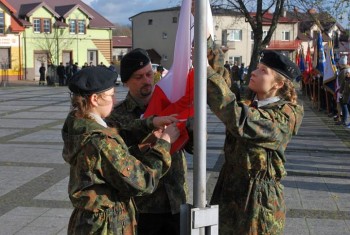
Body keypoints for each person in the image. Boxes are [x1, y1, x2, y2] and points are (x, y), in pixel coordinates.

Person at [62, 66, 180, 234]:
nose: (115, 100)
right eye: (111, 95)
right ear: (95, 99)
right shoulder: (101, 142)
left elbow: (119, 132)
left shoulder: (79, 124)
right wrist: (164, 144)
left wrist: (150, 123)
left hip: (90, 221)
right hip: (107, 226)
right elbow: (143, 182)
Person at [207, 48, 304, 234]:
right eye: (257, 67)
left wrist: (206, 73)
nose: (254, 72)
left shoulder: (286, 115)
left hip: (258, 202)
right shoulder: (250, 101)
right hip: (229, 191)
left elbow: (239, 119)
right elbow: (223, 80)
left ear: (278, 83)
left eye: (263, 71)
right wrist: (207, 45)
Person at [106, 48, 193, 235]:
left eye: (149, 74)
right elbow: (121, 162)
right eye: (139, 77)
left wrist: (192, 124)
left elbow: (192, 147)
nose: (147, 81)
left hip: (177, 200)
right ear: (127, 81)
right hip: (144, 206)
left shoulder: (170, 103)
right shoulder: (116, 117)